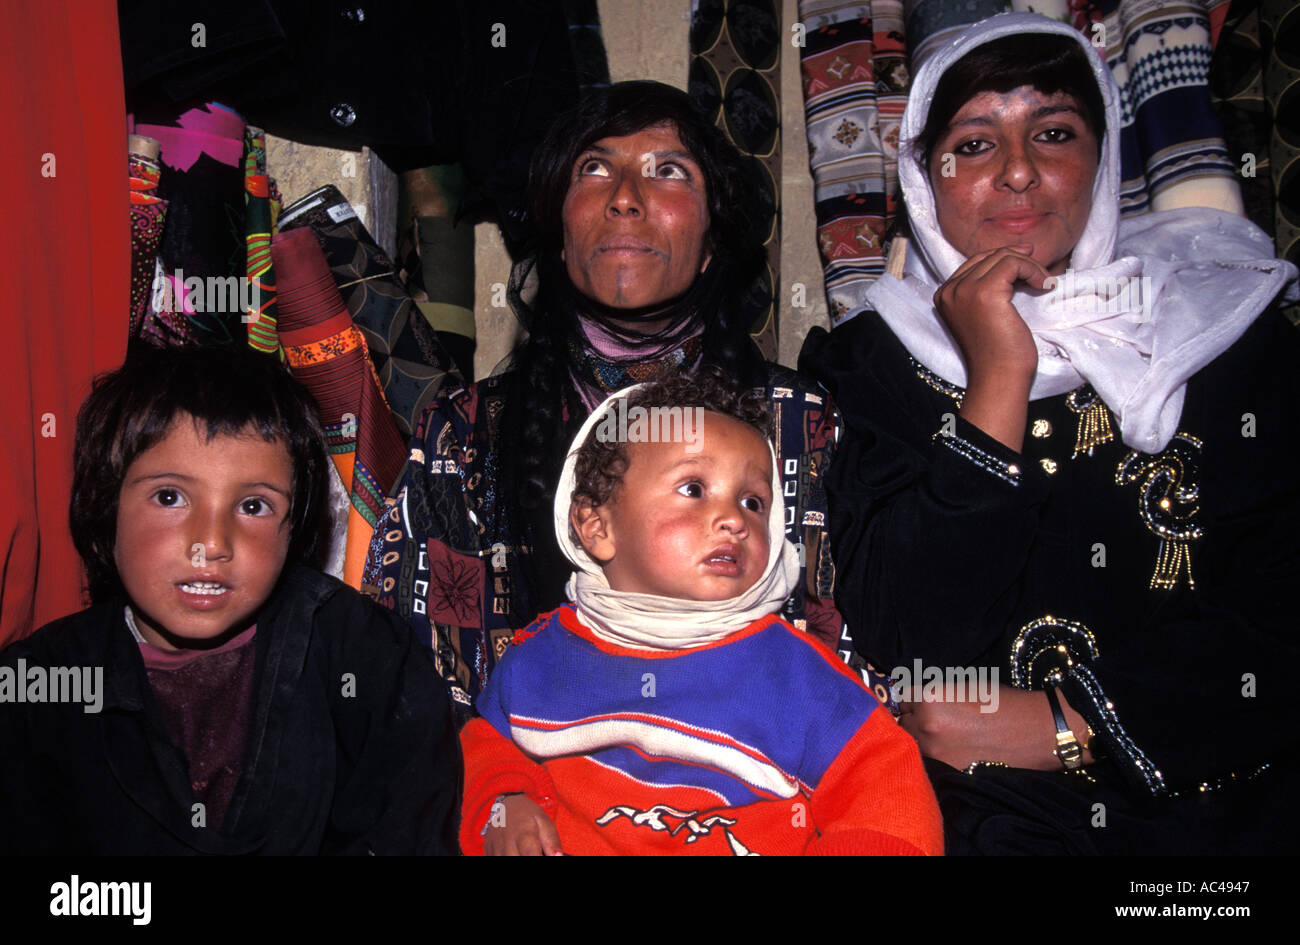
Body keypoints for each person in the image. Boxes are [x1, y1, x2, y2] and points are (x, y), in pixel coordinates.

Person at [800, 12, 1300, 854]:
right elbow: (903, 636)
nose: (1021, 173)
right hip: (961, 825)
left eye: (1055, 132)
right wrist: (998, 379)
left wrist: (1070, 724)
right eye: (975, 143)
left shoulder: (1229, 330)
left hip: (1218, 828)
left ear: (1103, 162)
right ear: (923, 178)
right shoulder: (861, 367)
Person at [366, 81, 865, 720]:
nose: (625, 198)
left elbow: (836, 673)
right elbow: (434, 698)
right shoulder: (465, 436)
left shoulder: (800, 422)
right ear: (558, 231)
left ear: (713, 243)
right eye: (594, 169)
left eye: (669, 172)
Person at [0, 346, 460, 854]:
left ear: (296, 528)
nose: (211, 543)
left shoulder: (365, 655)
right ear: (107, 506)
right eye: (170, 497)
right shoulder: (37, 688)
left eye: (253, 505)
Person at [458, 374, 942, 855]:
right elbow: (491, 743)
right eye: (693, 488)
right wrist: (507, 802)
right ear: (596, 525)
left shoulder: (796, 677)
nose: (735, 519)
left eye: (754, 502)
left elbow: (889, 801)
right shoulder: (544, 655)